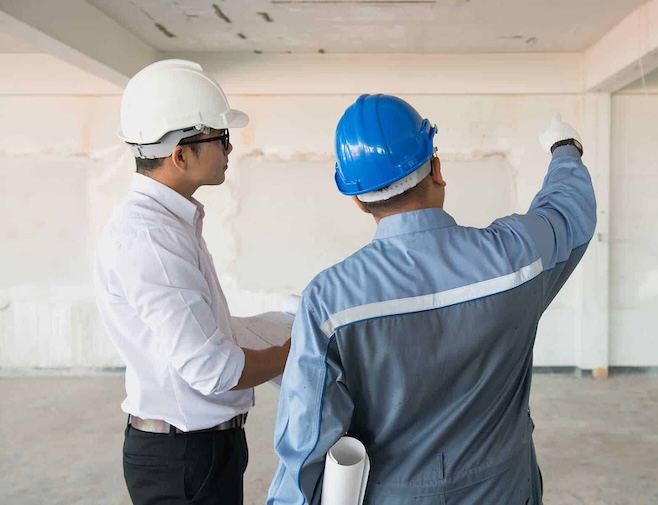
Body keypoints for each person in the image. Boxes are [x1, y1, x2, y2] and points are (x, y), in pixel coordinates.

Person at [267, 94, 597, 505]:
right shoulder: (516, 256)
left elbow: (306, 445)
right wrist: (565, 149)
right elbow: (568, 211)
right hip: (504, 490)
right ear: (437, 169)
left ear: (356, 198)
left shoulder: (329, 301)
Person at [94, 59, 290, 505]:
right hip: (186, 459)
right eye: (220, 138)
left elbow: (194, 337)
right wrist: (294, 352)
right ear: (180, 154)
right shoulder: (153, 239)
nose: (229, 150)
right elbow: (213, 370)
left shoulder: (167, 224)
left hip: (197, 450)